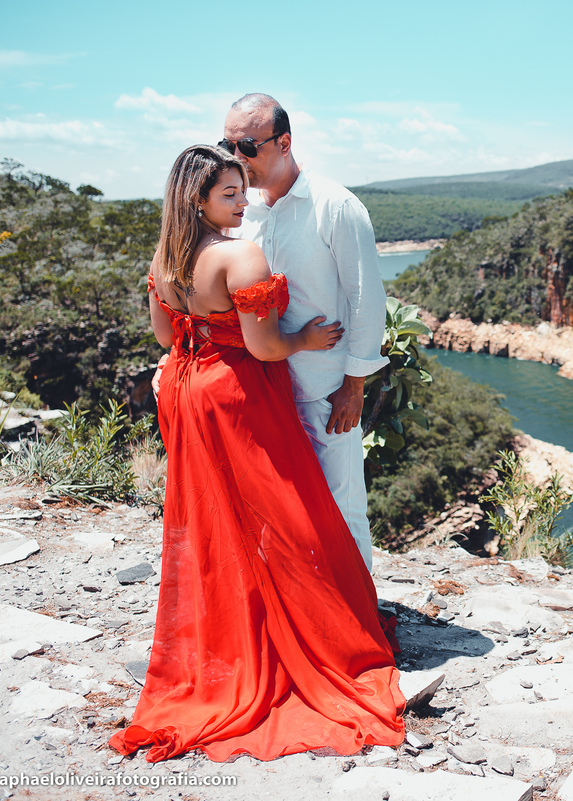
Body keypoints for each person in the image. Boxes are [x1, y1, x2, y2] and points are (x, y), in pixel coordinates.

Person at [110, 145, 405, 763]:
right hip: (240, 396)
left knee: (219, 518)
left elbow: (167, 336)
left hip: (190, 393)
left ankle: (235, 629)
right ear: (198, 200)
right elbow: (266, 347)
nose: (243, 202)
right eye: (229, 194)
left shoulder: (165, 259)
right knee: (285, 511)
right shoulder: (239, 255)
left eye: (242, 190)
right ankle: (303, 630)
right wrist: (305, 337)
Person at [220, 93, 387, 573]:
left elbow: (366, 299)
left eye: (247, 146)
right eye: (228, 146)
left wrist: (354, 385)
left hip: (324, 389)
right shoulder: (240, 212)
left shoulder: (335, 206)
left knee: (341, 506)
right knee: (280, 512)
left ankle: (358, 608)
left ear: (284, 142)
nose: (236, 158)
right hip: (262, 391)